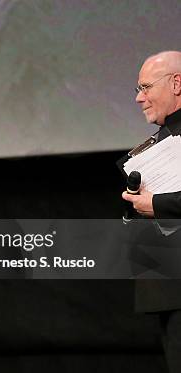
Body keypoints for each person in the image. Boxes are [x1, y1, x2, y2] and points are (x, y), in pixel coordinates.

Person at [122, 51, 181, 372]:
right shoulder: (161, 142)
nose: (139, 98)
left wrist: (155, 204)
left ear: (177, 83)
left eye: (146, 87)